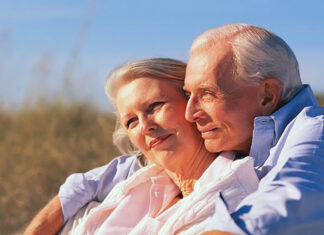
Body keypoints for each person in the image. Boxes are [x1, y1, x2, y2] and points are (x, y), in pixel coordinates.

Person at [25, 24, 324, 235]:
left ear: (266, 95)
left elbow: (286, 204)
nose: (192, 112)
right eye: (130, 121)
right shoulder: (151, 171)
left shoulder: (312, 134)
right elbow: (95, 180)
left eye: (206, 94)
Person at [55, 58, 258, 234]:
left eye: (155, 106)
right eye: (131, 121)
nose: (145, 126)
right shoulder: (137, 185)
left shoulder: (234, 199)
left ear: (195, 104)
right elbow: (80, 190)